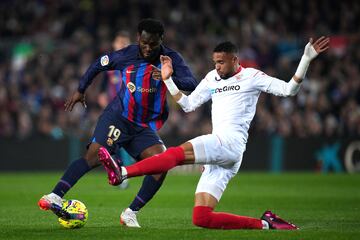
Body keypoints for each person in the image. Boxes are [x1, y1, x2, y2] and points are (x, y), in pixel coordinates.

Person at [98, 37, 330, 229]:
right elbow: (188, 105)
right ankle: (266, 224)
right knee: (202, 218)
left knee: (176, 155)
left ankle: (124, 172)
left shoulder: (253, 77)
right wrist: (168, 80)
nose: (217, 66)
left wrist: (306, 58)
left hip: (229, 143)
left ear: (234, 60)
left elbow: (289, 89)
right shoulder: (211, 78)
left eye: (221, 62)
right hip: (225, 155)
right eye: (214, 61)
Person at [38, 19, 198, 228]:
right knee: (92, 157)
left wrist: (169, 78)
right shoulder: (125, 55)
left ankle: (130, 213)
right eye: (144, 43)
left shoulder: (171, 59)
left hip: (143, 126)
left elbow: (192, 84)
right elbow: (98, 64)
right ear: (138, 38)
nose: (148, 48)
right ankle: (55, 196)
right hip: (119, 117)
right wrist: (80, 89)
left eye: (153, 44)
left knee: (161, 164)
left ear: (161, 40)